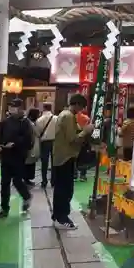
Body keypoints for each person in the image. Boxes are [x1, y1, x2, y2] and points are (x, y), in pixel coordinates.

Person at [52, 94, 94, 230]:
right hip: (66, 157)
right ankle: (62, 217)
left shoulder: (63, 114)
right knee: (65, 189)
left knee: (60, 188)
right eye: (81, 107)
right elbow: (73, 139)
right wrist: (85, 131)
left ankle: (58, 216)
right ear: (76, 104)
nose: (81, 110)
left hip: (61, 156)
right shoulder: (69, 116)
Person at [0, 99, 33, 218]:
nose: (12, 109)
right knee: (4, 182)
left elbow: (28, 140)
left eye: (15, 107)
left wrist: (15, 144)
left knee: (17, 180)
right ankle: (4, 208)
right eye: (11, 107)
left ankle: (26, 196)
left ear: (21, 108)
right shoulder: (6, 121)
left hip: (18, 156)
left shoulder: (25, 123)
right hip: (6, 155)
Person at [36, 102, 57, 188]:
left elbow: (37, 133)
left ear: (44, 108)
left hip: (44, 142)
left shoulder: (40, 119)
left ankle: (44, 181)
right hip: (55, 141)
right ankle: (53, 181)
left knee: (44, 162)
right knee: (54, 162)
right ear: (51, 108)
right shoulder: (57, 118)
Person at [24, 108, 41, 187]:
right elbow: (37, 133)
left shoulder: (26, 121)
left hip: (27, 144)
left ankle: (25, 178)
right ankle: (26, 179)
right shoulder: (32, 124)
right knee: (29, 162)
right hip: (31, 144)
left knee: (27, 161)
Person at [75, 109, 91, 181]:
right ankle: (83, 175)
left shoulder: (73, 117)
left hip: (76, 140)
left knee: (75, 158)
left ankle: (74, 174)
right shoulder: (87, 119)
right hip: (84, 141)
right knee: (84, 158)